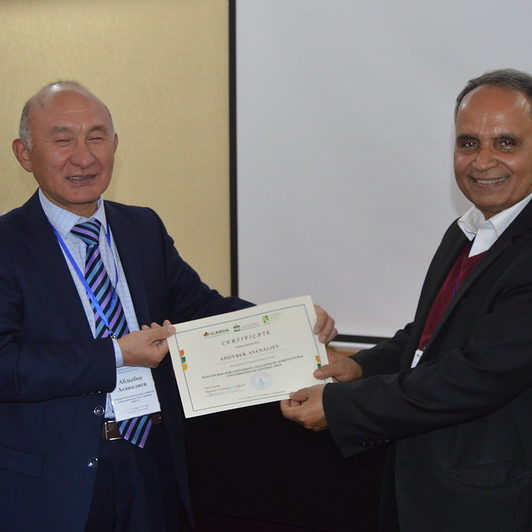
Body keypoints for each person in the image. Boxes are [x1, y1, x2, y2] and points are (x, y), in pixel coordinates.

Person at [0, 81, 337, 532]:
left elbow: (202, 308)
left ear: (115, 144)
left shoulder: (142, 228)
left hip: (151, 461)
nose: (84, 157)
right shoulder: (7, 244)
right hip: (54, 480)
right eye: (63, 140)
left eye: (97, 137)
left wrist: (293, 326)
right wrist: (117, 353)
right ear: (24, 154)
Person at [281, 68, 532, 532]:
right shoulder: (468, 230)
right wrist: (360, 367)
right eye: (469, 143)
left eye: (506, 143)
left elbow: (476, 375)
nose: (483, 161)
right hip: (425, 485)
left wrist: (342, 407)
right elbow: (430, 336)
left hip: (490, 504)